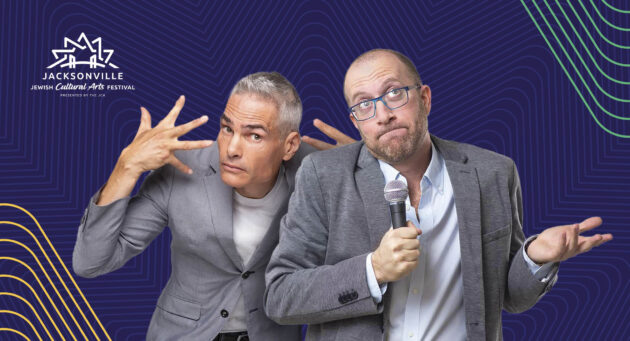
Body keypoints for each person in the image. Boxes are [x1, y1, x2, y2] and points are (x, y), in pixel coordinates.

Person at [264, 49, 613, 340]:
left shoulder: (492, 173)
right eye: (364, 105)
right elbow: (280, 296)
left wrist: (536, 257)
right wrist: (374, 270)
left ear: (425, 98)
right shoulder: (323, 176)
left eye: (394, 93)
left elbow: (507, 296)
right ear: (356, 122)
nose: (383, 115)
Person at [72, 72, 347, 340]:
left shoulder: (315, 173)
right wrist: (126, 167)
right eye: (227, 128)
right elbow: (91, 263)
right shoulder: (182, 169)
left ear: (289, 146)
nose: (231, 149)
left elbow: (356, 263)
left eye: (254, 136)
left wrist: (371, 171)